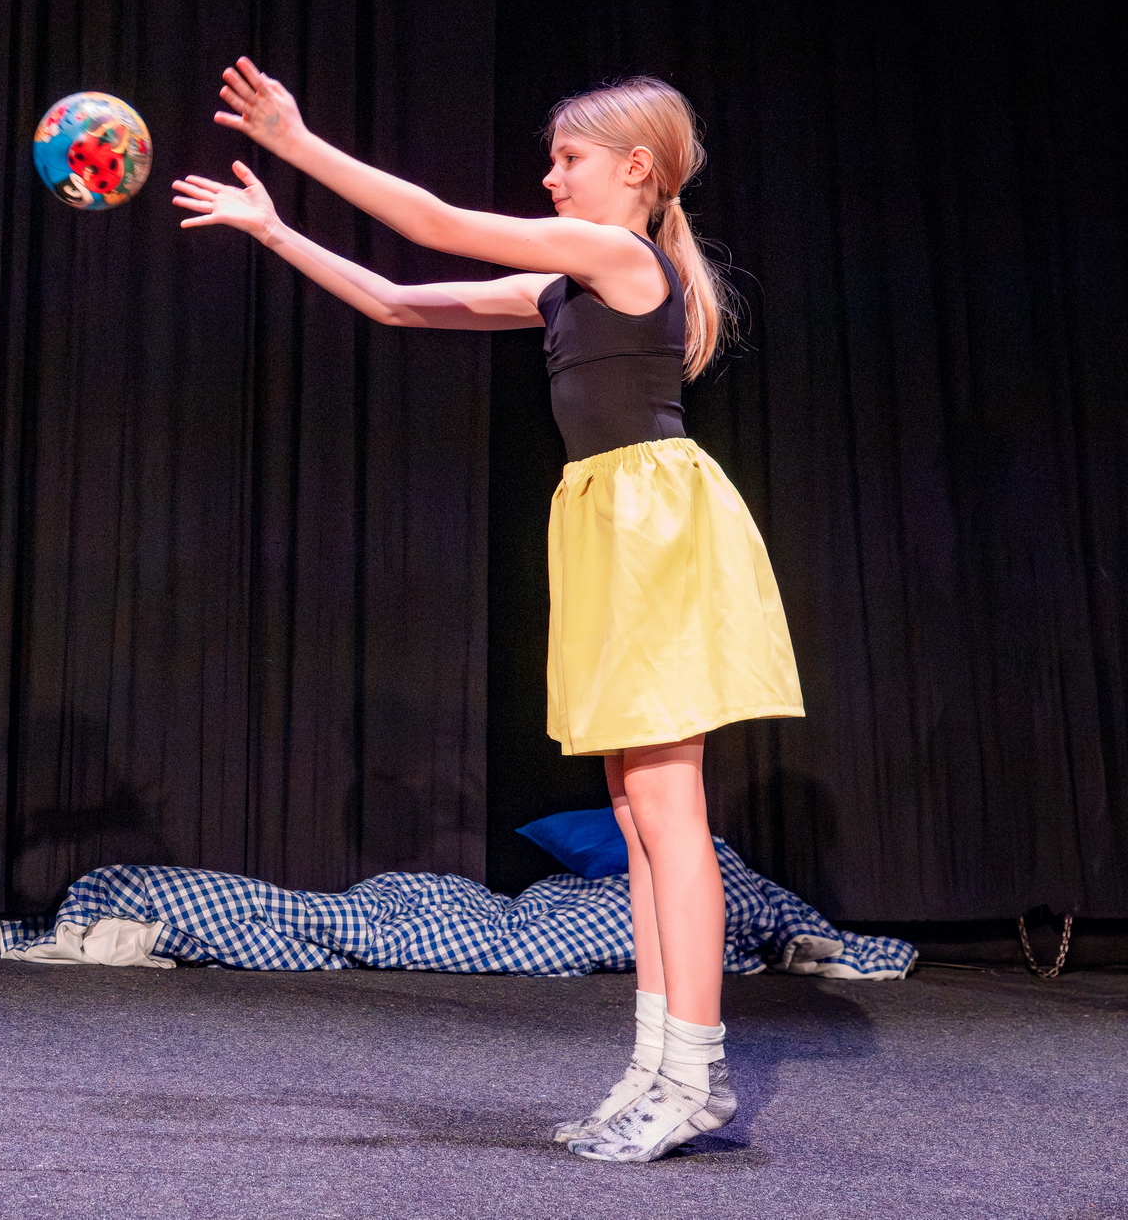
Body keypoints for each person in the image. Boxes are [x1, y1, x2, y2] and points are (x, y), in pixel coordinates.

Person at [172, 62, 802, 1162]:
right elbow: (393, 299)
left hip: (656, 529)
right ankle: (654, 1066)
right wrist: (274, 230)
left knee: (667, 809)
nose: (549, 177)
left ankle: (694, 1072)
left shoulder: (619, 256)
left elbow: (435, 223)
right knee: (635, 813)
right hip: (610, 527)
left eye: (568, 159)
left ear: (635, 170)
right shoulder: (565, 285)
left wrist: (297, 142)